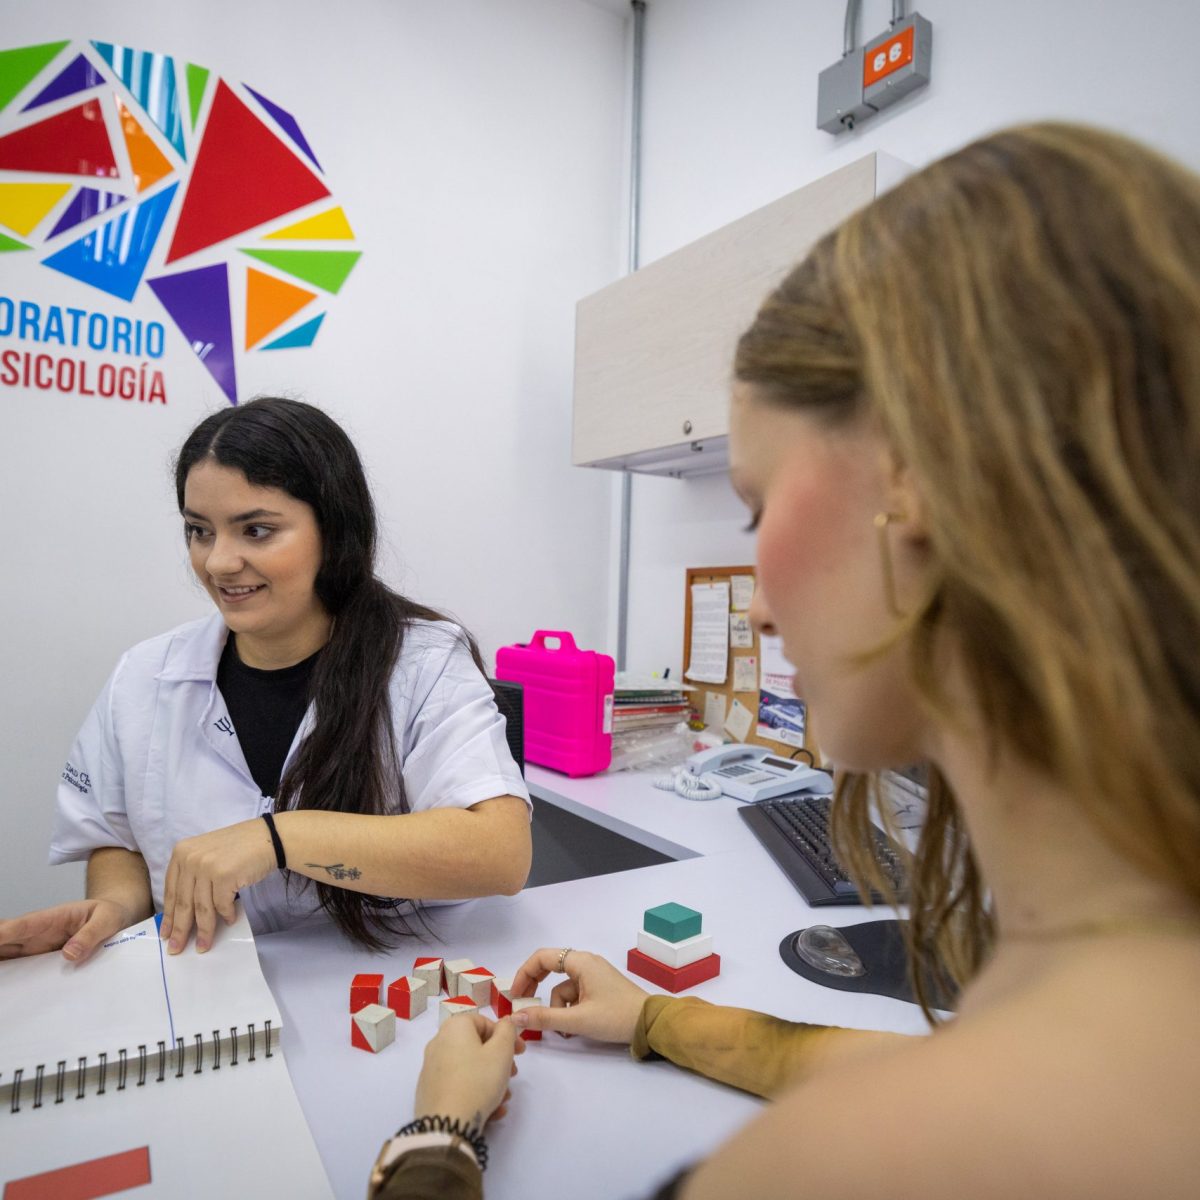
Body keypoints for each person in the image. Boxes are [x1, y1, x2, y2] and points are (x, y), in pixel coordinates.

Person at [370, 122, 1200, 1198]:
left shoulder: (847, 1165)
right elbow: (926, 1066)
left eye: (755, 504)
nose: (756, 602)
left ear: (916, 471)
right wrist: (668, 1018)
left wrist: (438, 1136)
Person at [0, 397, 532, 962]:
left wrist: (277, 839)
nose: (218, 562)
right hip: (217, 1007)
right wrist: (116, 907)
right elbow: (118, 840)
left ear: (334, 530)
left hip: (386, 997)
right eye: (199, 531)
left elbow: (500, 854)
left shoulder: (423, 663)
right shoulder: (144, 676)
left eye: (256, 530)